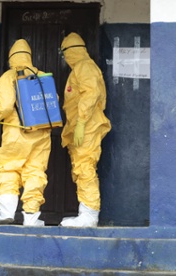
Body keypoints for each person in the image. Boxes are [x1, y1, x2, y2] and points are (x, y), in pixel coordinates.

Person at [0, 39, 51, 226]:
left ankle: (6, 212)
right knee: (35, 171)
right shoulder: (43, 77)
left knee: (9, 168)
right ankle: (31, 217)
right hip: (41, 133)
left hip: (15, 133)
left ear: (11, 57)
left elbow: (5, 106)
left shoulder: (7, 77)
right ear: (29, 56)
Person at [59, 32, 112, 227]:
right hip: (82, 126)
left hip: (88, 125)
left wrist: (81, 122)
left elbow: (91, 94)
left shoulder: (84, 67)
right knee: (82, 167)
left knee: (85, 167)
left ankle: (89, 214)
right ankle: (85, 212)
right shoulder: (79, 69)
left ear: (70, 51)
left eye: (64, 53)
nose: (64, 58)